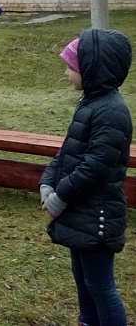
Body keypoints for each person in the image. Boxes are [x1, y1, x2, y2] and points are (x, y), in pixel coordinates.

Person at [39, 30, 132, 326]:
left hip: (97, 214)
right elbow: (68, 150)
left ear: (92, 70)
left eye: (71, 67)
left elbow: (94, 167)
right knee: (83, 282)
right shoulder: (91, 103)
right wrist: (47, 181)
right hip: (82, 212)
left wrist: (59, 197)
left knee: (101, 287)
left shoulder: (111, 112)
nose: (67, 73)